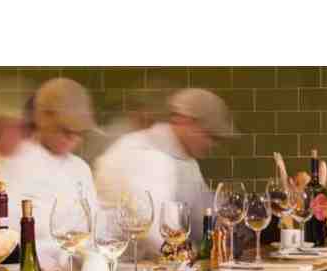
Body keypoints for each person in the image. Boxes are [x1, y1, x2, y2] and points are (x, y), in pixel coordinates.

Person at [94, 88, 233, 259]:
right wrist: (193, 259)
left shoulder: (187, 161)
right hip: (120, 266)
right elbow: (156, 232)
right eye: (209, 135)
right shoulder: (144, 153)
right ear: (184, 121)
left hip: (155, 266)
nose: (211, 144)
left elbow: (204, 216)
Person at [1, 78, 99, 271]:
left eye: (79, 132)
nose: (73, 138)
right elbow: (7, 239)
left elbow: (94, 231)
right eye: (66, 130)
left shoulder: (81, 169)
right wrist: (62, 259)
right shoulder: (13, 164)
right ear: (42, 119)